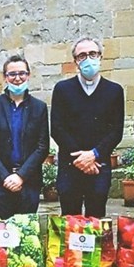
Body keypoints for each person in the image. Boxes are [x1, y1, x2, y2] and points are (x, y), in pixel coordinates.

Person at [50, 36, 124, 218]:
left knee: (96, 220)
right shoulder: (62, 89)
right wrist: (81, 158)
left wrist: (94, 154)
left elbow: (116, 131)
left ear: (100, 57)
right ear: (75, 61)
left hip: (99, 165)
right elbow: (57, 128)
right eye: (82, 55)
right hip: (70, 166)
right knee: (70, 220)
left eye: (92, 53)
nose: (88, 59)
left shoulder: (114, 91)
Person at [0, 54, 50, 218]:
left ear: (28, 75)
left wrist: (20, 176)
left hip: (29, 183)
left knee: (25, 236)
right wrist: (5, 177)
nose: (17, 78)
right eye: (12, 74)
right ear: (5, 77)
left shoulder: (39, 107)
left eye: (22, 73)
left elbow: (42, 146)